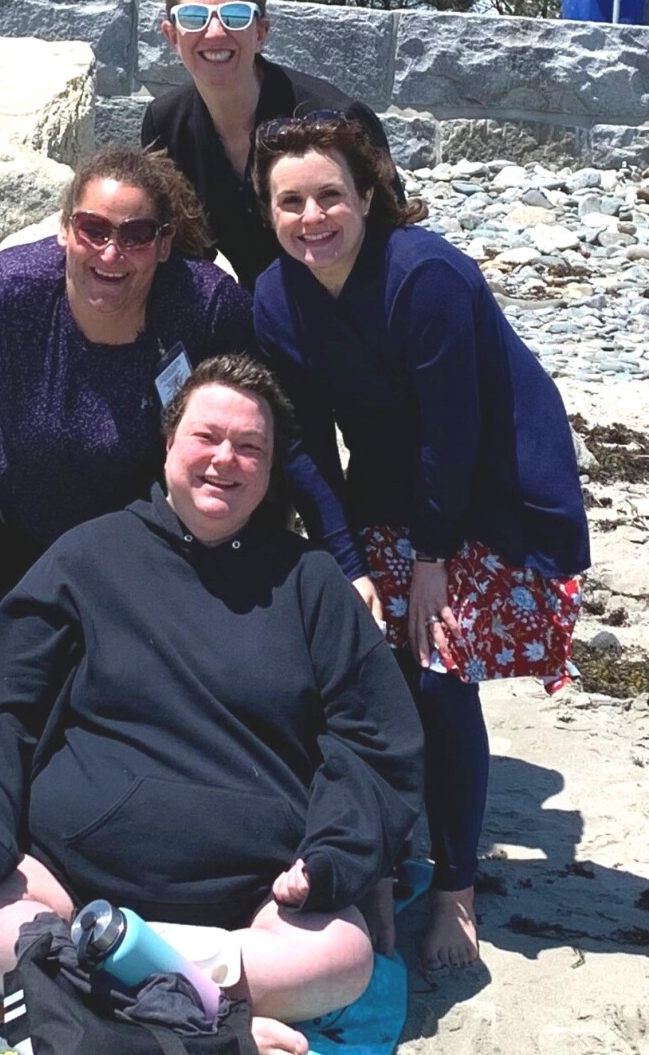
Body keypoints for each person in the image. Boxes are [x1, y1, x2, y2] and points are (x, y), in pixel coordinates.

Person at [0, 354, 424, 1055]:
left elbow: (372, 739)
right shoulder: (87, 557)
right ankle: (210, 1016)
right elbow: (8, 707)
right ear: (167, 443)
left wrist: (339, 853)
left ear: (271, 469)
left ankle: (87, 995)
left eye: (251, 447)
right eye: (207, 437)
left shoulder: (312, 582)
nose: (226, 459)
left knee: (342, 958)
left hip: (251, 902)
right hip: (73, 880)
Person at [250, 114, 590, 972]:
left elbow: (455, 429)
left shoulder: (423, 274)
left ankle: (457, 888)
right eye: (290, 201)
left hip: (496, 487)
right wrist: (347, 559)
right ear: (269, 210)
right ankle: (385, 850)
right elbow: (301, 446)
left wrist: (432, 561)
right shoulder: (273, 298)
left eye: (331, 194)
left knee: (439, 671)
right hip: (392, 488)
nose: (312, 217)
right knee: (367, 664)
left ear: (367, 196)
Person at [0, 148, 254, 895]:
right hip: (18, 502)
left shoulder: (204, 306)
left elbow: (244, 427)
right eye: (94, 229)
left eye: (137, 235)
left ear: (165, 243)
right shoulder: (12, 292)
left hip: (140, 527)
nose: (113, 252)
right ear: (65, 231)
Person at [141, 0, 402, 292]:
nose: (215, 32)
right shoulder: (165, 124)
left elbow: (396, 240)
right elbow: (182, 254)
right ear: (172, 36)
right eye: (194, 16)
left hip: (359, 306)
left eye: (235, 16)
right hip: (261, 316)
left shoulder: (337, 118)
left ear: (261, 32)